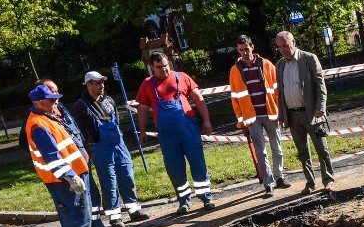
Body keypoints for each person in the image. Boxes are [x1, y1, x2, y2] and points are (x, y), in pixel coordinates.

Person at [19, 79, 114, 227]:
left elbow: (75, 130)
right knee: (76, 205)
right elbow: (29, 144)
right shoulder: (36, 120)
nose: (57, 97)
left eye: (56, 92)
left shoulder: (59, 108)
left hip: (80, 163)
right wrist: (59, 168)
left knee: (92, 197)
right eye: (52, 94)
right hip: (65, 171)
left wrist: (85, 151)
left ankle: (96, 226)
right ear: (41, 99)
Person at [135, 52, 215, 214]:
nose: (164, 69)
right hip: (167, 134)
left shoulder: (182, 77)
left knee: (197, 162)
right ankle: (184, 202)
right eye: (159, 67)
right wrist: (142, 131)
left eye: (166, 65)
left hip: (188, 130)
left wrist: (206, 120)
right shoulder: (147, 84)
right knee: (174, 167)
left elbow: (198, 99)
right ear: (152, 67)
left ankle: (206, 197)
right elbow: (142, 109)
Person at [71, 71, 149, 227]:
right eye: (98, 83)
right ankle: (114, 216)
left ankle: (133, 210)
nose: (102, 85)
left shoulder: (109, 100)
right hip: (100, 149)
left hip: (119, 146)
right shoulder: (80, 106)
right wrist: (87, 151)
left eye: (102, 82)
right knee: (109, 182)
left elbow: (117, 122)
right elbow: (79, 133)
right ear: (88, 85)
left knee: (127, 177)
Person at [229, 35, 291, 198]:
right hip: (252, 118)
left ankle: (279, 177)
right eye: (241, 50)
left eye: (246, 49)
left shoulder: (266, 65)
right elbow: (235, 98)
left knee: (276, 147)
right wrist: (241, 122)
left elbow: (277, 91)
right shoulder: (235, 70)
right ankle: (268, 183)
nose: (244, 53)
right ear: (238, 50)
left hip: (270, 113)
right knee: (261, 152)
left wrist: (280, 112)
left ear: (252, 47)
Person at [275, 31, 335, 195]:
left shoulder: (309, 58)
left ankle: (328, 180)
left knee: (321, 148)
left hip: (313, 114)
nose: (283, 50)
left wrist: (320, 107)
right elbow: (280, 93)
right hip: (293, 116)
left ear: (293, 42)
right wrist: (282, 116)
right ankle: (310, 183)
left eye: (285, 46)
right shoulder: (279, 65)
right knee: (302, 152)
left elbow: (320, 85)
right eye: (280, 47)